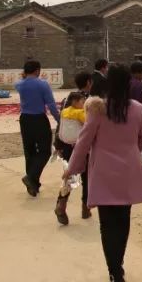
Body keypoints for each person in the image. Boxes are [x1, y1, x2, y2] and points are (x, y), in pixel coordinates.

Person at [63, 64, 142, 282]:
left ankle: (115, 275)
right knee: (123, 222)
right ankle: (118, 266)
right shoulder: (137, 108)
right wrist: (132, 154)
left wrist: (72, 168)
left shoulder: (97, 109)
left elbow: (83, 141)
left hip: (104, 172)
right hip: (129, 171)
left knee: (107, 225)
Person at [17, 59, 60, 197]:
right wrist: (59, 120)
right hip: (39, 119)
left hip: (25, 119)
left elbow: (22, 81)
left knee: (29, 151)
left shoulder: (19, 85)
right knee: (45, 151)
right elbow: (51, 105)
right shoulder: (42, 85)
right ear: (37, 70)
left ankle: (33, 185)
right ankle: (31, 178)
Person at [54, 89, 90, 225]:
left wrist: (58, 146)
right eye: (82, 101)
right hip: (82, 149)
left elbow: (59, 129)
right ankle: (85, 209)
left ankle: (61, 204)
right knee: (87, 178)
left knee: (69, 176)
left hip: (67, 148)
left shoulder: (64, 111)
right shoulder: (81, 113)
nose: (84, 103)